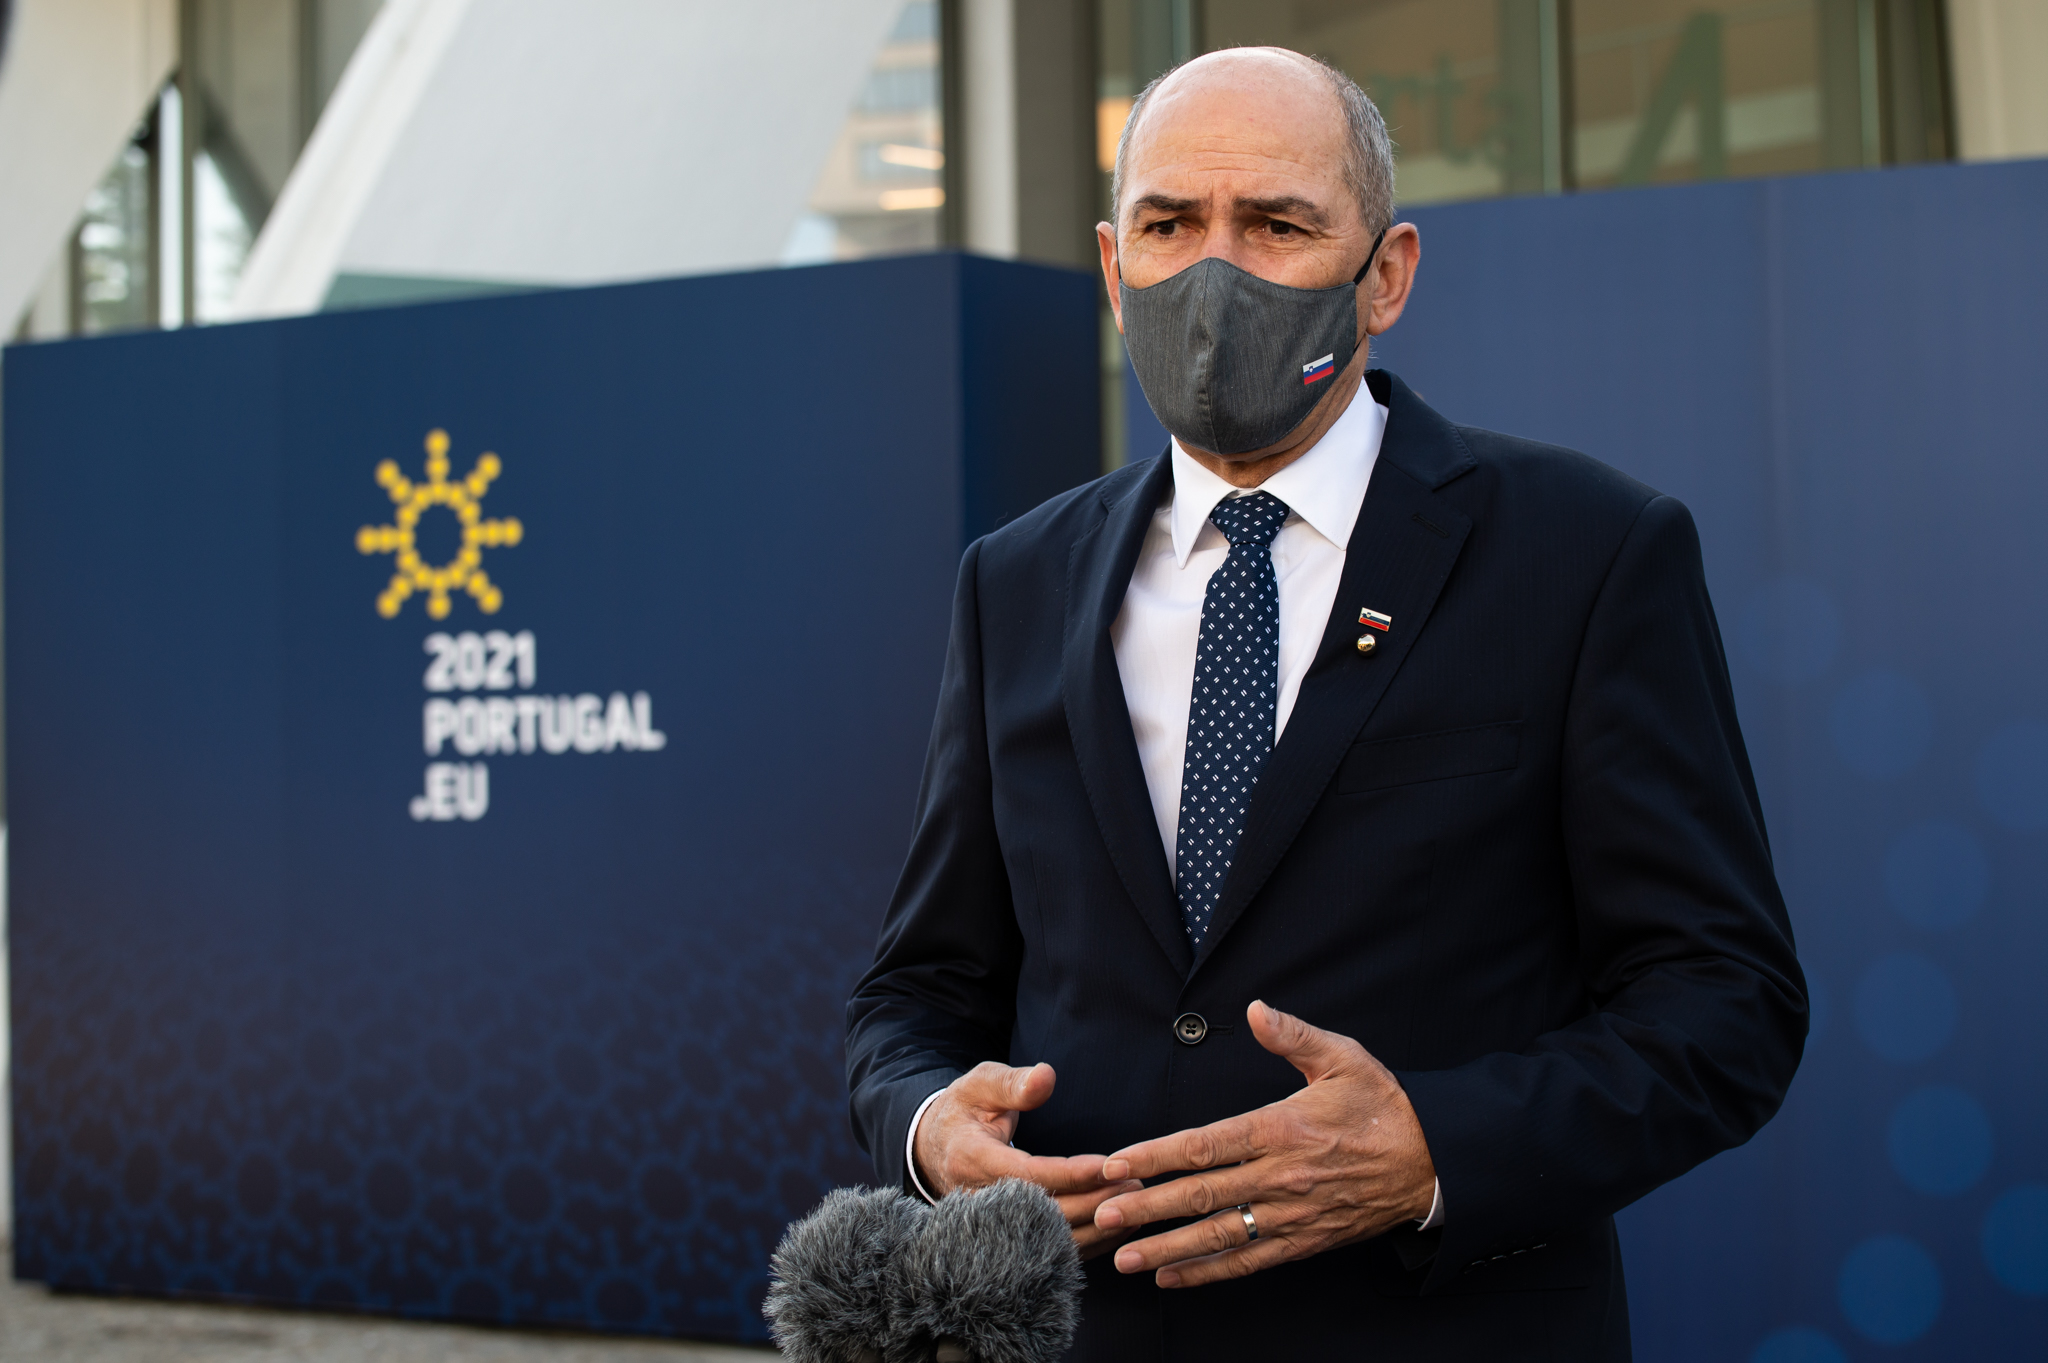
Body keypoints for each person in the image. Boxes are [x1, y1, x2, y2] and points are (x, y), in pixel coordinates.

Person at [845, 45, 1805, 1360]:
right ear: (1114, 270)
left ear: (1386, 275)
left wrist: (1431, 1149)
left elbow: (1725, 999)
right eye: (1168, 224)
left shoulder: (1584, 551)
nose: (1215, 273)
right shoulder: (1013, 581)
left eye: (1277, 225)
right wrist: (924, 1126)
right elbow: (918, 988)